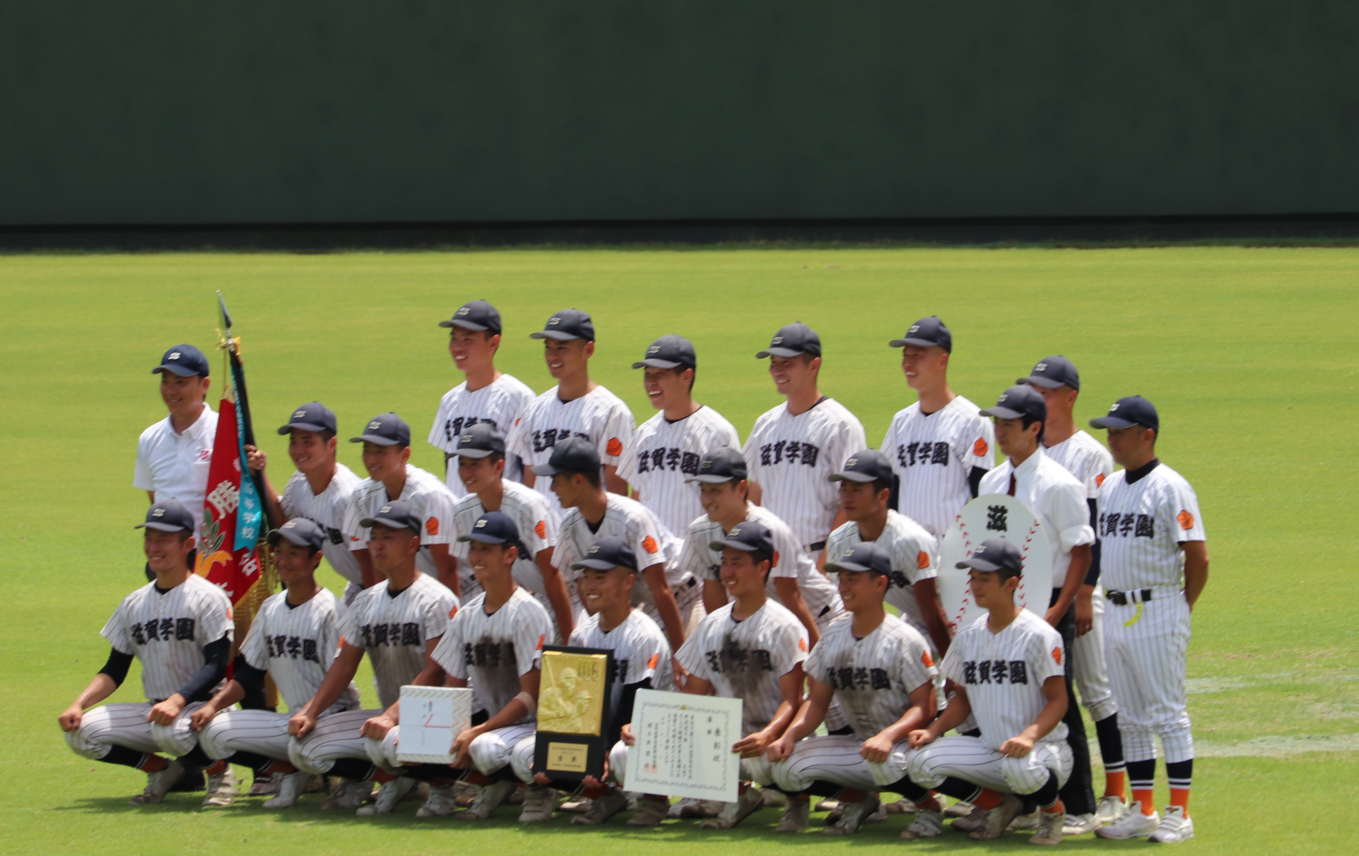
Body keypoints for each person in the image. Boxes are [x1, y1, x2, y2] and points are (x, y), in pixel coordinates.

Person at [368, 512, 553, 821]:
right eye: (474, 548)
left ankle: (538, 791)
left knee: (485, 749)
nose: (476, 557)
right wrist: (424, 730)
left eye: (486, 549)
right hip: (490, 725)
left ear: (509, 555)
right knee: (394, 744)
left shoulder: (529, 613)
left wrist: (476, 730)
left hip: (530, 727)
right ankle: (486, 786)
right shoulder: (466, 615)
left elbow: (530, 698)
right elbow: (453, 686)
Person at [978, 384, 1098, 833]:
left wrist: (1061, 608)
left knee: (1057, 699)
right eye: (996, 424)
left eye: (1008, 425)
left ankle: (1080, 804)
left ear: (1034, 428)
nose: (1000, 432)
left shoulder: (1060, 484)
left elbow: (1082, 551)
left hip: (1047, 603)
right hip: (1005, 609)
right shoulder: (991, 480)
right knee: (1010, 699)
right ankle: (1021, 800)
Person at [59, 500, 235, 806]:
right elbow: (114, 669)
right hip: (157, 711)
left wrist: (177, 701)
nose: (153, 546)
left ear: (188, 545)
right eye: (149, 537)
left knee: (170, 731)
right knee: (81, 733)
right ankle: (165, 771)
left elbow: (217, 665)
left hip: (205, 710)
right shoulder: (134, 603)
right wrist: (78, 704)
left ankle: (220, 774)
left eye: (163, 539)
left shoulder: (209, 598)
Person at [287, 501, 458, 814]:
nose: (377, 545)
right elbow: (344, 664)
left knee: (386, 741)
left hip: (438, 713)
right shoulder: (365, 602)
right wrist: (311, 712)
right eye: (374, 537)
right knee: (304, 747)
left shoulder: (437, 599)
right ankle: (384, 778)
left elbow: (437, 672)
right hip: (390, 713)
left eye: (388, 537)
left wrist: (391, 716)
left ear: (412, 545)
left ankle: (441, 790)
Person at [1089, 396, 1207, 845]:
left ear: (1147, 435)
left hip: (1157, 606)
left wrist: (1181, 605)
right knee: (1131, 719)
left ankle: (1181, 812)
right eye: (1109, 431)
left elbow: (1198, 556)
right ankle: (1143, 809)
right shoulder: (1110, 486)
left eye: (1120, 430)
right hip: (1115, 610)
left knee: (1168, 715)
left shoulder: (1171, 487)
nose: (1111, 438)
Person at [899, 539, 1072, 845]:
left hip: (1045, 752)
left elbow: (1059, 701)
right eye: (973, 577)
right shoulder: (969, 635)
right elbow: (963, 698)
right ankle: (999, 806)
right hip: (992, 750)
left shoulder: (1040, 635)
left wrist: (1028, 736)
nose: (975, 585)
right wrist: (934, 730)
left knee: (1018, 765)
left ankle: (1052, 811)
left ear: (1011, 583)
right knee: (918, 761)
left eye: (984, 578)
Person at [1018, 357, 1128, 826]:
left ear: (1070, 396)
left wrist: (1084, 594)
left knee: (1096, 692)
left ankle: (1116, 792)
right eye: (1035, 389)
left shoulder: (1089, 455)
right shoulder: (1029, 451)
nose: (1040, 395)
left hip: (1080, 590)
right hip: (1036, 595)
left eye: (1047, 389)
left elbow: (1094, 532)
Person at [765, 543, 938, 835]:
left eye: (852, 579)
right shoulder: (833, 634)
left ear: (880, 583)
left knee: (885, 763)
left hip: (905, 746)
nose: (843, 586)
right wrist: (791, 735)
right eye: (841, 578)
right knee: (784, 766)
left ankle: (928, 809)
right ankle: (860, 801)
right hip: (859, 744)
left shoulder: (904, 639)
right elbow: (817, 701)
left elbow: (926, 706)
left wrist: (887, 736)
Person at [191, 519, 360, 808]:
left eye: (293, 553)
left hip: (334, 716)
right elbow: (251, 673)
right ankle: (291, 772)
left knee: (308, 747)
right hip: (292, 720)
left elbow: (341, 672)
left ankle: (358, 778)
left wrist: (311, 713)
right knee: (212, 732)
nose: (283, 560)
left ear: (316, 559)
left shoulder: (331, 610)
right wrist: (212, 705)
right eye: (278, 551)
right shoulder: (271, 608)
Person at [667, 521, 810, 829]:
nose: (727, 572)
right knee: (628, 753)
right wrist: (650, 726)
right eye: (724, 563)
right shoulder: (711, 624)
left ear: (763, 567)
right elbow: (693, 694)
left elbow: (793, 699)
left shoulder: (784, 626)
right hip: (725, 741)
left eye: (737, 563)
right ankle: (735, 795)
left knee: (786, 766)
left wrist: (769, 734)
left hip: (775, 740)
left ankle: (796, 803)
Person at [523, 536, 674, 826]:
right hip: (605, 731)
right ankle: (605, 797)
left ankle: (655, 801)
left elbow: (634, 703)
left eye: (600, 577)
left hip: (649, 731)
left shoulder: (644, 635)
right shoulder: (582, 634)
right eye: (586, 577)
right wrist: (550, 754)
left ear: (627, 582)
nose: (590, 585)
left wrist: (601, 753)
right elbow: (571, 703)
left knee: (620, 755)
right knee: (528, 755)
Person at [540, 437, 701, 651]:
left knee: (682, 674)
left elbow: (661, 589)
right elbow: (582, 584)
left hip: (683, 596)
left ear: (578, 481)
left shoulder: (631, 519)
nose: (551, 488)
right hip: (645, 604)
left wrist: (680, 655)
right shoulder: (570, 527)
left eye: (556, 480)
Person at [681, 447, 841, 647]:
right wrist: (723, 642)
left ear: (740, 489)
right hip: (771, 623)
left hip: (820, 617)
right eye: (703, 490)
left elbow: (792, 598)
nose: (707, 499)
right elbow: (713, 590)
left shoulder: (769, 530)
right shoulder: (699, 532)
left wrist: (818, 657)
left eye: (715, 490)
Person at [744, 322, 866, 561]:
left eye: (787, 364)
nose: (777, 370)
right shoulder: (764, 425)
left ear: (814, 366)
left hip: (817, 554)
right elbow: (754, 492)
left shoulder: (840, 425)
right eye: (773, 363)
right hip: (769, 560)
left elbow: (853, 501)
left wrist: (825, 565)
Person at [450, 423, 574, 640]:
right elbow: (483, 573)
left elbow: (554, 575)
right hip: (523, 599)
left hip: (568, 596)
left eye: (475, 464)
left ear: (498, 466)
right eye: (462, 464)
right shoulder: (462, 512)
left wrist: (569, 639)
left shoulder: (528, 506)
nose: (467, 472)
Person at [510, 308, 636, 516]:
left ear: (588, 350)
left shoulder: (611, 412)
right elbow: (529, 484)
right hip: (543, 537)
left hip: (588, 536)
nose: (552, 355)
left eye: (562, 347)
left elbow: (617, 491)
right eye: (548, 347)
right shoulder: (534, 409)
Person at [825, 449, 950, 656]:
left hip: (949, 619)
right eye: (844, 489)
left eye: (857, 490)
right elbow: (845, 606)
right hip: (912, 619)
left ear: (883, 496)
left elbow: (932, 612)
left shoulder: (910, 540)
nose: (847, 497)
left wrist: (953, 671)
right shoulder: (839, 541)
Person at [881, 317, 995, 541]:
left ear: (942, 360)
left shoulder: (972, 421)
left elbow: (983, 497)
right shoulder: (900, 422)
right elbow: (890, 492)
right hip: (906, 550)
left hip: (951, 550)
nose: (908, 363)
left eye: (917, 355)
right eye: (906, 355)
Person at [616, 335, 740, 538]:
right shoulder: (644, 434)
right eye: (648, 375)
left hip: (698, 559)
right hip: (652, 558)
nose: (651, 383)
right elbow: (637, 499)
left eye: (660, 374)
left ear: (686, 376)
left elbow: (735, 503)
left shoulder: (718, 433)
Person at [245, 402, 365, 604]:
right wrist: (260, 474)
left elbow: (373, 562)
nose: (298, 449)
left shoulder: (347, 496)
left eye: (307, 442)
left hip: (384, 585)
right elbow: (285, 525)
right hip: (358, 583)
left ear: (331, 444)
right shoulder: (299, 482)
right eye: (293, 441)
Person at [343, 412, 460, 595]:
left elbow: (448, 571)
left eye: (380, 452)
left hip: (462, 590)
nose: (371, 459)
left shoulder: (429, 496)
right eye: (367, 450)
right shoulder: (362, 495)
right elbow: (378, 565)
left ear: (404, 455)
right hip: (410, 592)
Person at [429, 300, 535, 498]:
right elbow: (450, 466)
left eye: (468, 340)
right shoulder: (449, 401)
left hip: (503, 518)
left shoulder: (518, 397)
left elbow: (530, 467)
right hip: (461, 516)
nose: (457, 347)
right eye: (454, 339)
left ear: (493, 343)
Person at [134, 345, 219, 574]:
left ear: (205, 385)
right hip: (168, 562)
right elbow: (156, 500)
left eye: (180, 382)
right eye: (165, 381)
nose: (170, 390)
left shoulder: (226, 433)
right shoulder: (149, 439)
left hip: (216, 562)